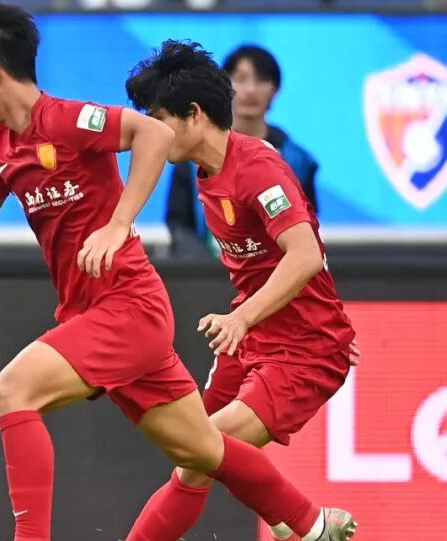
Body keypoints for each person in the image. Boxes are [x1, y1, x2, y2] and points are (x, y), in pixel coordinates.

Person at [0, 4, 352, 540]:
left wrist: (119, 224)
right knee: (201, 452)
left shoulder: (71, 120)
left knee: (13, 390)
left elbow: (153, 137)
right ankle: (310, 523)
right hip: (99, 313)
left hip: (128, 306)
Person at [123, 39, 359, 541]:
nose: (151, 133)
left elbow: (305, 254)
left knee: (203, 450)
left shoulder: (258, 168)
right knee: (192, 454)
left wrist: (255, 319)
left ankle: (309, 523)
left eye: (158, 119)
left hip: (302, 350)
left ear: (194, 114)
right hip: (254, 338)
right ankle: (291, 521)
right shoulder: (204, 170)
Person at [166, 44, 319, 259]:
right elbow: (180, 224)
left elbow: (306, 229)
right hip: (206, 272)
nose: (251, 90)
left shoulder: (297, 161)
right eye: (241, 78)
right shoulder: (193, 157)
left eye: (261, 80)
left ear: (275, 90)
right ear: (225, 86)